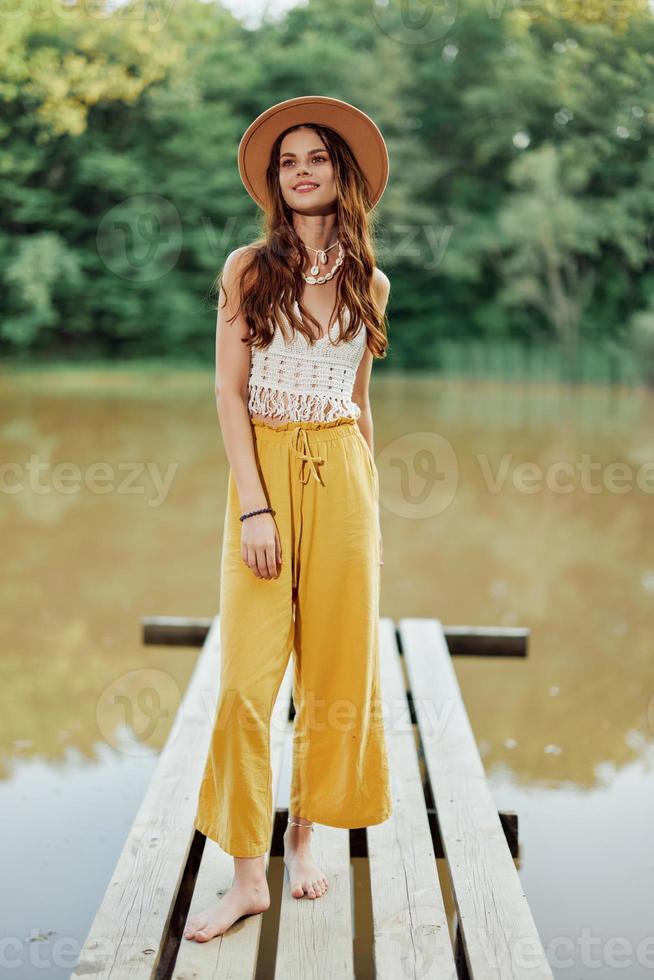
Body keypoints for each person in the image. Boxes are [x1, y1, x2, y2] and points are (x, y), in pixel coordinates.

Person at [184, 95, 393, 943]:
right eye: (288, 161)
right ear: (275, 181)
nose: (301, 170)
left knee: (337, 674)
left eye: (316, 158)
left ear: (342, 174)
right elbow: (228, 394)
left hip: (344, 481)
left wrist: (369, 513)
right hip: (265, 474)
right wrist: (256, 508)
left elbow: (358, 403)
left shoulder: (371, 281)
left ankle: (304, 837)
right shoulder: (248, 268)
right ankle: (244, 875)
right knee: (245, 681)